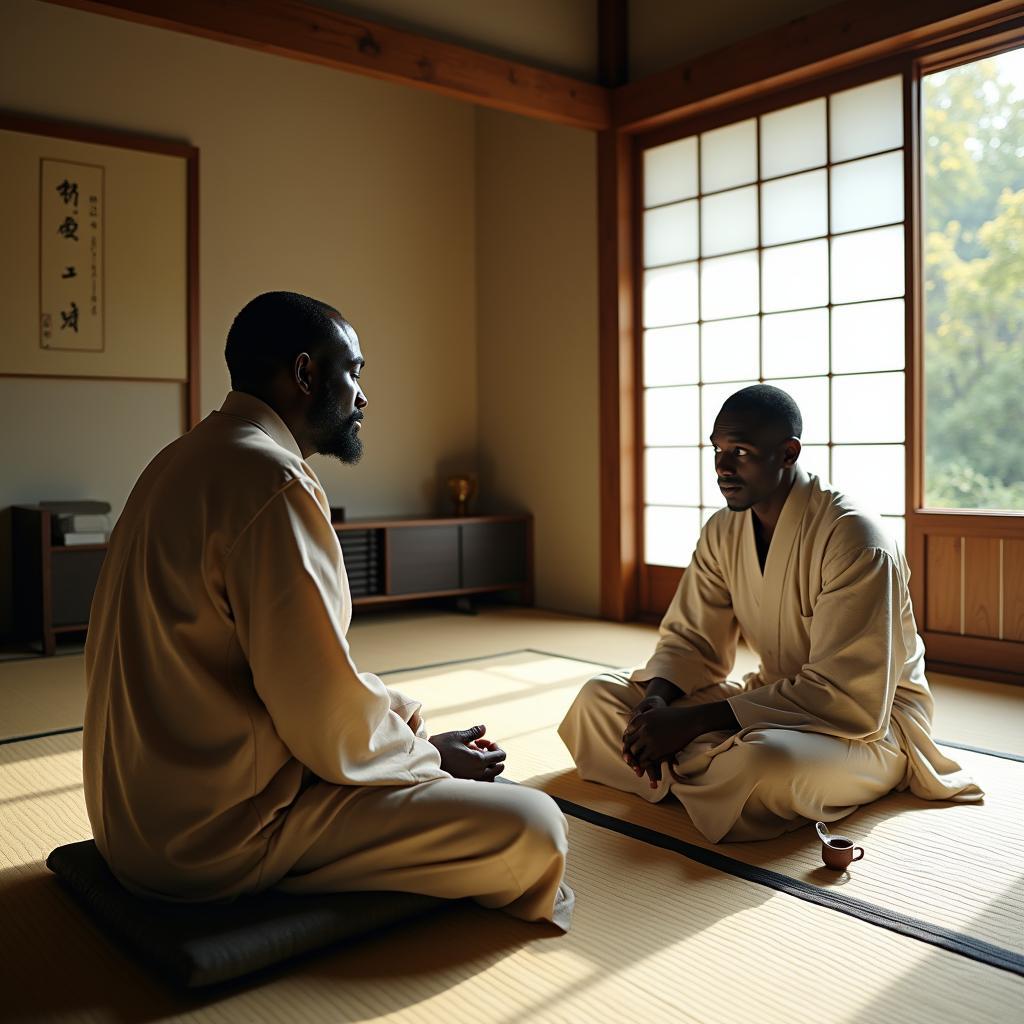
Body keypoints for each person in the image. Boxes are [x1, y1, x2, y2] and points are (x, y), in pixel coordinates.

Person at [83, 291, 573, 930]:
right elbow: (320, 719)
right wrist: (427, 759)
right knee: (534, 827)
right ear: (306, 372)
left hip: (134, 818)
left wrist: (407, 732)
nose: (364, 397)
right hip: (214, 840)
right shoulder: (271, 480)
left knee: (394, 719)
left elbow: (284, 677)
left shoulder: (181, 458)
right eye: (355, 372)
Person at [559, 384, 982, 843]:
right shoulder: (724, 529)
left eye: (740, 451)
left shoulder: (855, 539)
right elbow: (692, 641)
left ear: (788, 453)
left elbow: (848, 696)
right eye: (717, 450)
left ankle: (673, 766)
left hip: (868, 726)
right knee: (597, 699)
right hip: (773, 698)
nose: (722, 467)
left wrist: (695, 722)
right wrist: (656, 702)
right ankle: (702, 771)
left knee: (763, 763)